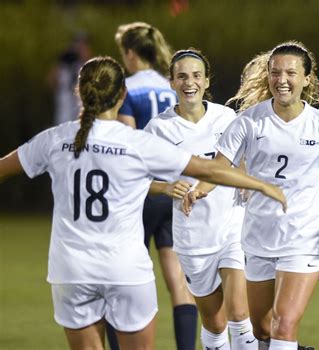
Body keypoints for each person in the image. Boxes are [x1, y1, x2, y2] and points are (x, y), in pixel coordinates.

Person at [0, 56, 286, 350]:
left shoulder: (53, 139)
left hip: (71, 270)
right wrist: (262, 184)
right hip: (125, 268)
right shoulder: (138, 143)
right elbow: (209, 168)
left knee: (236, 313)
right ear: (122, 95)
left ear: (79, 92)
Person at [185, 41, 319, 350]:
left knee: (284, 324)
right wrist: (199, 189)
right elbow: (219, 167)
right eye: (275, 72)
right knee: (263, 329)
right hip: (258, 234)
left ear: (306, 78)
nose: (282, 79)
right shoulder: (249, 122)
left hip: (304, 236)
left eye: (291, 72)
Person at [145, 48, 257, 350]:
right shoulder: (159, 129)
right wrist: (166, 188)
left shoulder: (226, 117)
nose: (189, 82)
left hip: (233, 227)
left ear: (207, 81)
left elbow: (243, 157)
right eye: (181, 76)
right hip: (193, 237)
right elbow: (133, 179)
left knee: (239, 314)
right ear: (172, 82)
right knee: (215, 323)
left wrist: (244, 176)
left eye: (196, 75)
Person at [114, 22, 198, 350]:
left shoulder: (123, 88)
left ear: (131, 54)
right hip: (175, 188)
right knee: (178, 281)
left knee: (122, 278)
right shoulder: (172, 84)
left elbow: (126, 144)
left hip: (142, 192)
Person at [47, 32, 92, 125]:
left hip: (80, 99)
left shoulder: (85, 62)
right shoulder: (64, 61)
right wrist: (58, 92)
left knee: (80, 123)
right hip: (65, 98)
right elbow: (51, 78)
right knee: (63, 122)